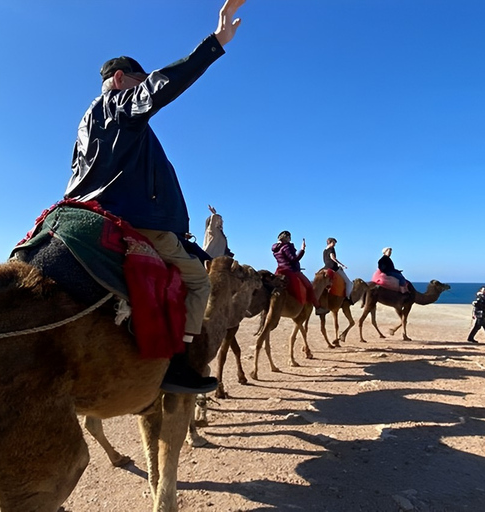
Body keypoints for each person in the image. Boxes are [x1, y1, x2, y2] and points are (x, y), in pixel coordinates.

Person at [63, 0, 245, 394]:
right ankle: (178, 363)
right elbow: (163, 86)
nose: (142, 86)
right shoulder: (119, 105)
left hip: (77, 214)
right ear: (118, 78)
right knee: (200, 281)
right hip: (131, 219)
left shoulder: (84, 126)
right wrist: (215, 42)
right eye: (137, 80)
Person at [272, 231, 318, 307]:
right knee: (309, 286)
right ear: (287, 237)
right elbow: (294, 259)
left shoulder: (276, 249)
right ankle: (317, 307)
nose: (290, 239)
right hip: (291, 270)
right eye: (290, 237)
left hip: (280, 270)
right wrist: (302, 250)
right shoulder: (286, 247)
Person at [322, 238, 353, 303]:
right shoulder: (331, 249)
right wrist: (341, 265)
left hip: (326, 267)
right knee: (348, 282)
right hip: (334, 268)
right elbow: (333, 258)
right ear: (330, 242)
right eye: (334, 243)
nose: (334, 245)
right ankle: (347, 298)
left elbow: (325, 260)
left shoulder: (324, 250)